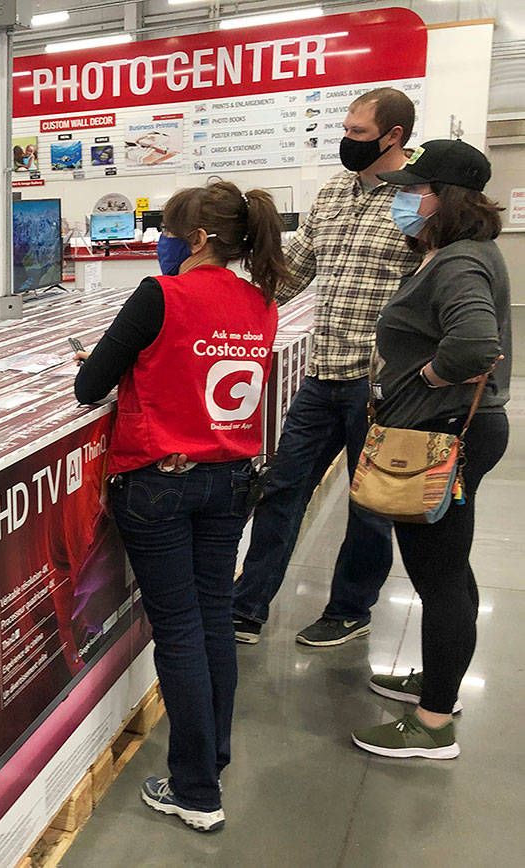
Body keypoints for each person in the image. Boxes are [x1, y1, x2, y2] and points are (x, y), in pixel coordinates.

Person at [73, 180, 288, 831]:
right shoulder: (260, 302)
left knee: (181, 631)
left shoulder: (159, 296)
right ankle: (211, 762)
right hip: (230, 483)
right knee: (214, 617)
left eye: (167, 232)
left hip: (160, 487)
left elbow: (90, 385)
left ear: (194, 239)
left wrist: (122, 361)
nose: (160, 243)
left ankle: (195, 789)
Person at [232, 87, 424, 647]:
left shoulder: (418, 198)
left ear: (395, 137)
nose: (347, 141)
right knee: (283, 489)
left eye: (359, 134)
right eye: (345, 129)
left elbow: (434, 283)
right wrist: (226, 293)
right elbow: (293, 273)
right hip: (323, 373)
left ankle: (349, 608)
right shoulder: (336, 190)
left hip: (383, 384)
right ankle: (247, 607)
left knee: (369, 506)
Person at [350, 140, 510, 758]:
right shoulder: (455, 255)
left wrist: (423, 380)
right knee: (448, 565)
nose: (404, 199)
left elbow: (473, 345)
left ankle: (434, 722)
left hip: (443, 434)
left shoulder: (458, 263)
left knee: (437, 575)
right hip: (450, 430)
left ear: (445, 199)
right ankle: (441, 679)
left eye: (416, 190)